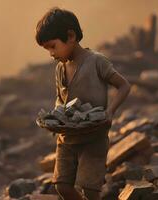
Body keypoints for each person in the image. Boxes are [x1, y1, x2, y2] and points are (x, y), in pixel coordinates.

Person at [35, 7, 130, 200]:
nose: (51, 54)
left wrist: (110, 111)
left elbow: (124, 86)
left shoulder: (96, 62)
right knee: (62, 186)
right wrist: (55, 119)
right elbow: (60, 100)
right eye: (48, 49)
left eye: (53, 46)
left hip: (94, 136)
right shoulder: (60, 69)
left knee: (91, 190)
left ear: (70, 36)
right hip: (67, 137)